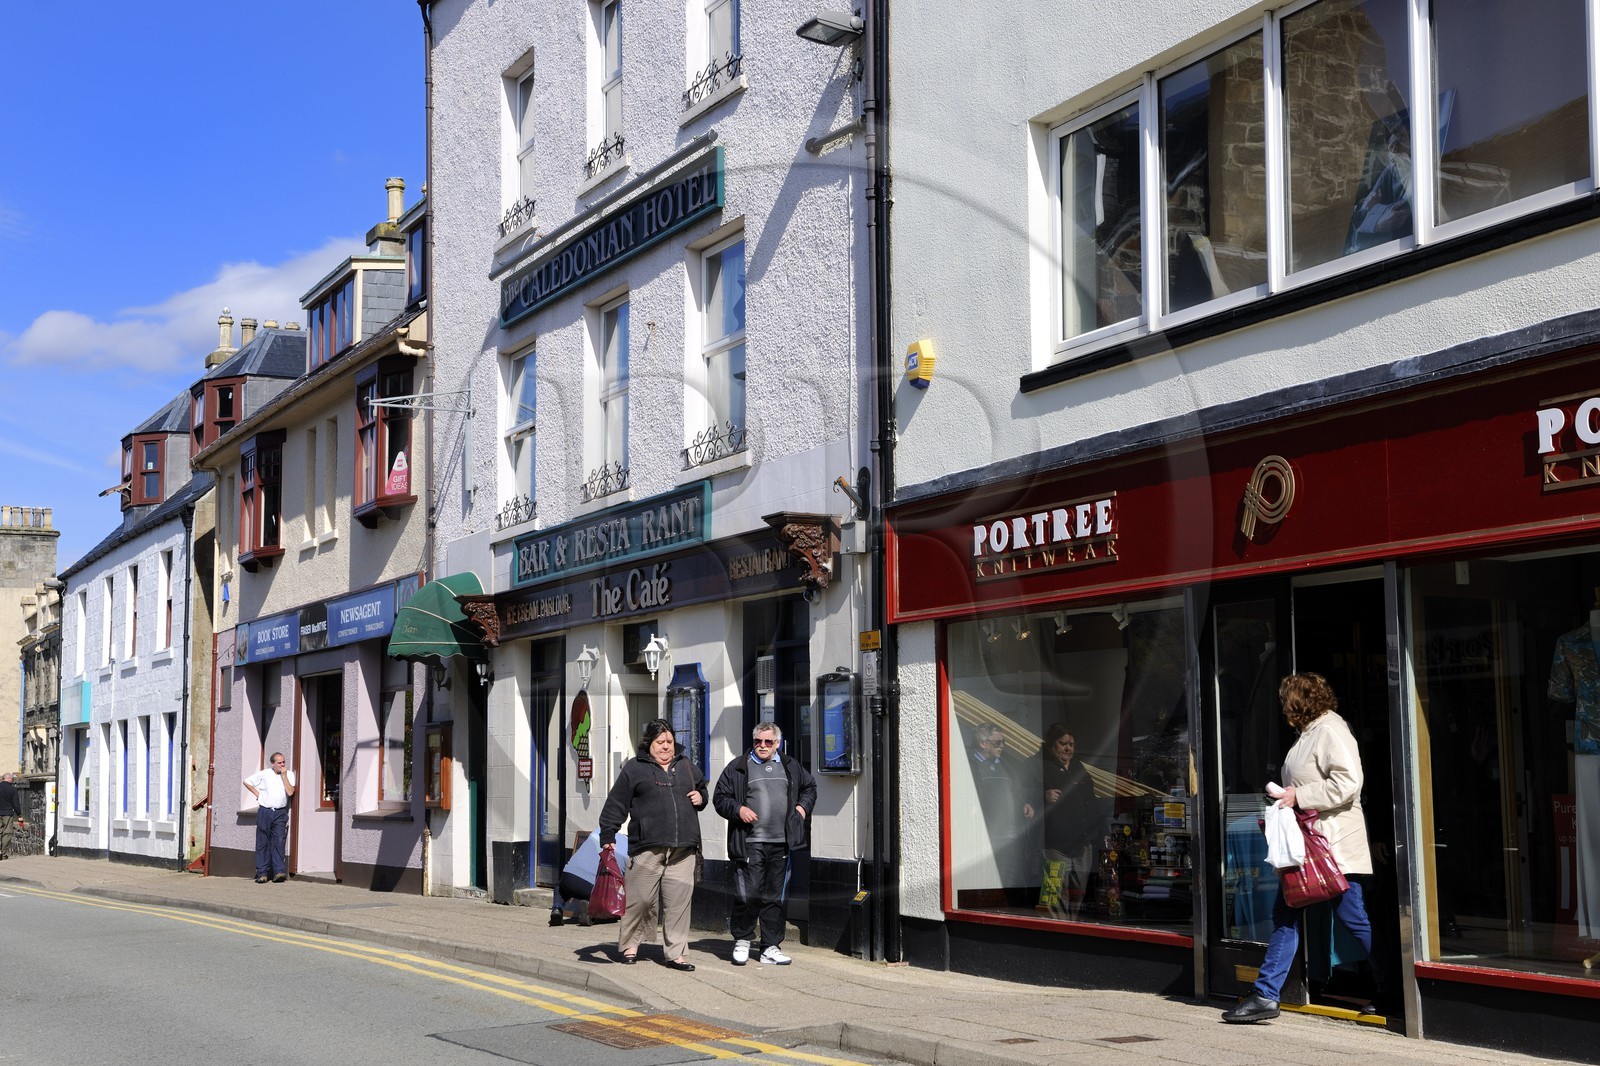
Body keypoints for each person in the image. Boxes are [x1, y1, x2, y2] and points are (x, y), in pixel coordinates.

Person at [1223, 673, 1374, 1023]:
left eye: (1285, 700)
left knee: (1352, 917)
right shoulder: (1311, 733)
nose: (1282, 708)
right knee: (1288, 914)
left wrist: (1298, 796)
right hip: (1311, 847)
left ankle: (1390, 989)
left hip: (1333, 847)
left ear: (1298, 702)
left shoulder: (1330, 730)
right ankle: (1265, 995)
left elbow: (1350, 782)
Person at [598, 718, 708, 971]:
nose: (666, 747)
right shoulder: (634, 768)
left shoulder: (686, 766)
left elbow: (703, 791)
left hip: (683, 849)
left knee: (678, 905)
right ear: (649, 744)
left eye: (669, 741)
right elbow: (616, 804)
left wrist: (701, 797)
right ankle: (630, 946)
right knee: (640, 901)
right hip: (647, 847)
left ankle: (676, 954)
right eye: (660, 742)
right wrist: (608, 836)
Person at [713, 721, 817, 965]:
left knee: (775, 897)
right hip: (750, 842)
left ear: (777, 744)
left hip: (781, 843)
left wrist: (801, 809)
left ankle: (770, 946)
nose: (762, 746)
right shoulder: (738, 767)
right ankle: (742, 940)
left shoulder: (790, 766)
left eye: (768, 742)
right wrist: (738, 809)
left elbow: (810, 787)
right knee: (749, 894)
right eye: (758, 741)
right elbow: (720, 798)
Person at [1039, 724, 1099, 919]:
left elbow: (1091, 800)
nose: (1068, 748)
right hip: (1055, 845)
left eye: (1071, 744)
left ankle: (1074, 928)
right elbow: (1019, 796)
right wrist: (1042, 796)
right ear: (1051, 745)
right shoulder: (1038, 765)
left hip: (1082, 843)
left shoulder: (1078, 766)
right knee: (1054, 896)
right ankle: (1054, 934)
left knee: (1078, 894)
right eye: (1062, 743)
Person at [244, 752, 297, 884]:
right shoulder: (264, 774)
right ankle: (262, 873)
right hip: (265, 811)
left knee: (279, 841)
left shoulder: (289, 774)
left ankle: (279, 872)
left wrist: (284, 776)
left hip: (280, 812)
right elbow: (247, 782)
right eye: (279, 763)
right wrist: (258, 794)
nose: (282, 765)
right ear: (272, 763)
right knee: (263, 842)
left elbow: (290, 792)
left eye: (284, 762)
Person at [0, 773, 24, 860]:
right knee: (7, 833)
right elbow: (16, 804)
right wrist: (19, 815)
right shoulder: (12, 789)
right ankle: (4, 853)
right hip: (7, 813)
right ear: (9, 779)